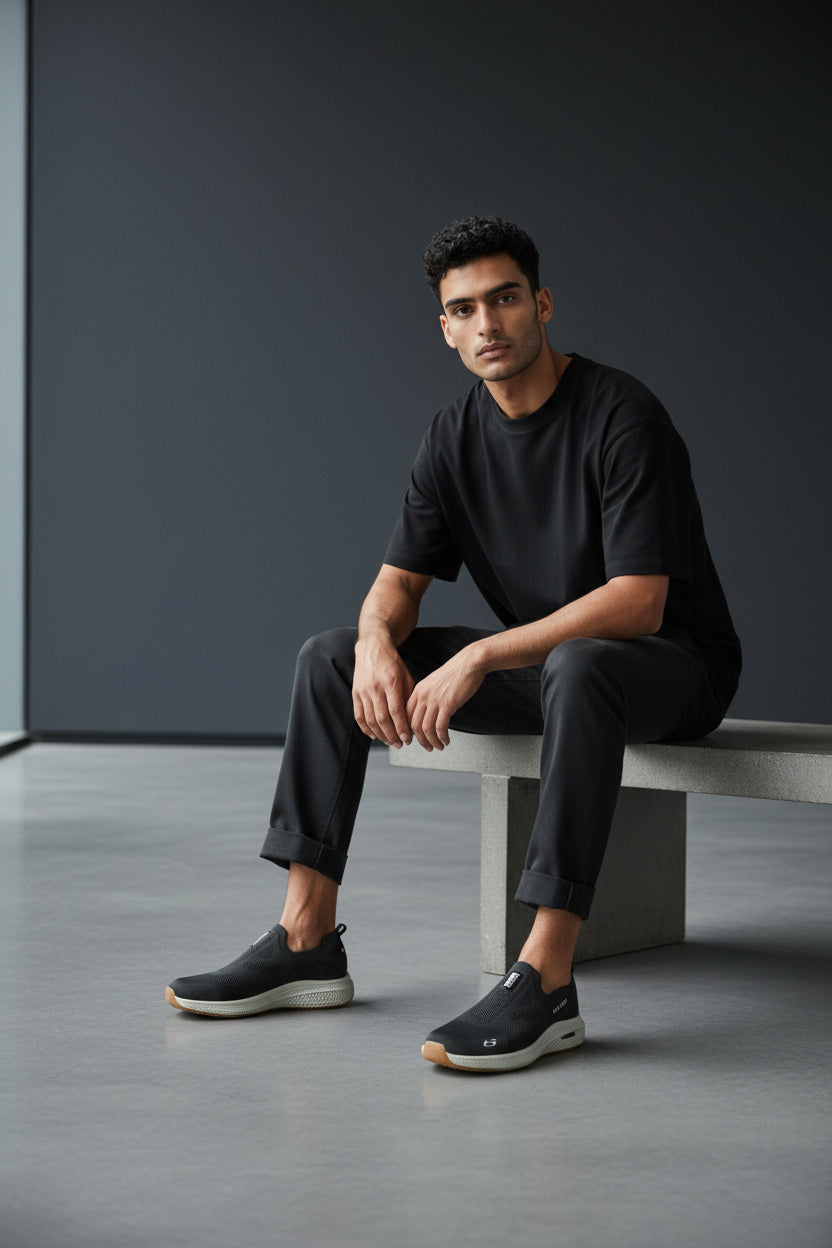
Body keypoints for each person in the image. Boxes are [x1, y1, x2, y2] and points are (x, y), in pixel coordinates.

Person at [166, 216, 741, 1072]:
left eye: (505, 300)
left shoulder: (622, 413)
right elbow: (398, 587)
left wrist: (477, 656)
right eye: (464, 309)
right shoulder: (452, 436)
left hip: (672, 670)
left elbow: (639, 602)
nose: (488, 325)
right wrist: (371, 643)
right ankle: (305, 937)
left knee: (581, 665)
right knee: (328, 657)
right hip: (549, 671)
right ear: (446, 327)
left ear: (540, 304)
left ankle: (546, 978)